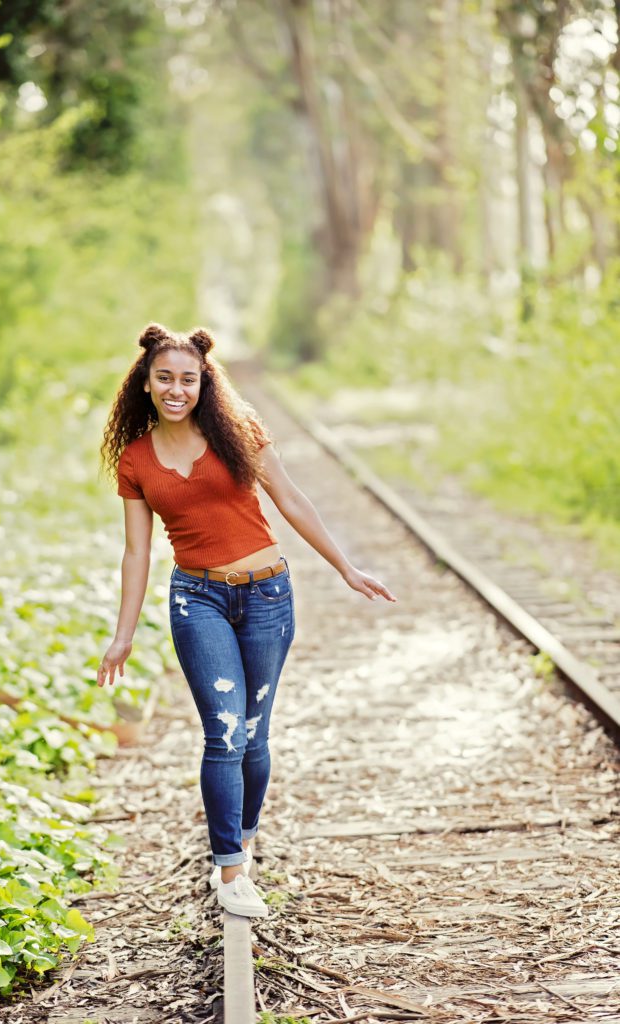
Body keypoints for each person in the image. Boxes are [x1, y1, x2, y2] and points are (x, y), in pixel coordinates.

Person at [97, 322, 396, 918]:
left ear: (203, 383)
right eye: (165, 378)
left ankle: (246, 834)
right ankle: (230, 868)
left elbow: (291, 499)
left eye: (188, 379)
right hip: (197, 600)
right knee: (224, 733)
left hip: (267, 597)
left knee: (255, 734)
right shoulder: (135, 460)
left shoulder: (238, 431)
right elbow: (137, 551)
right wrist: (122, 635)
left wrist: (344, 566)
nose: (177, 389)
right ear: (145, 383)